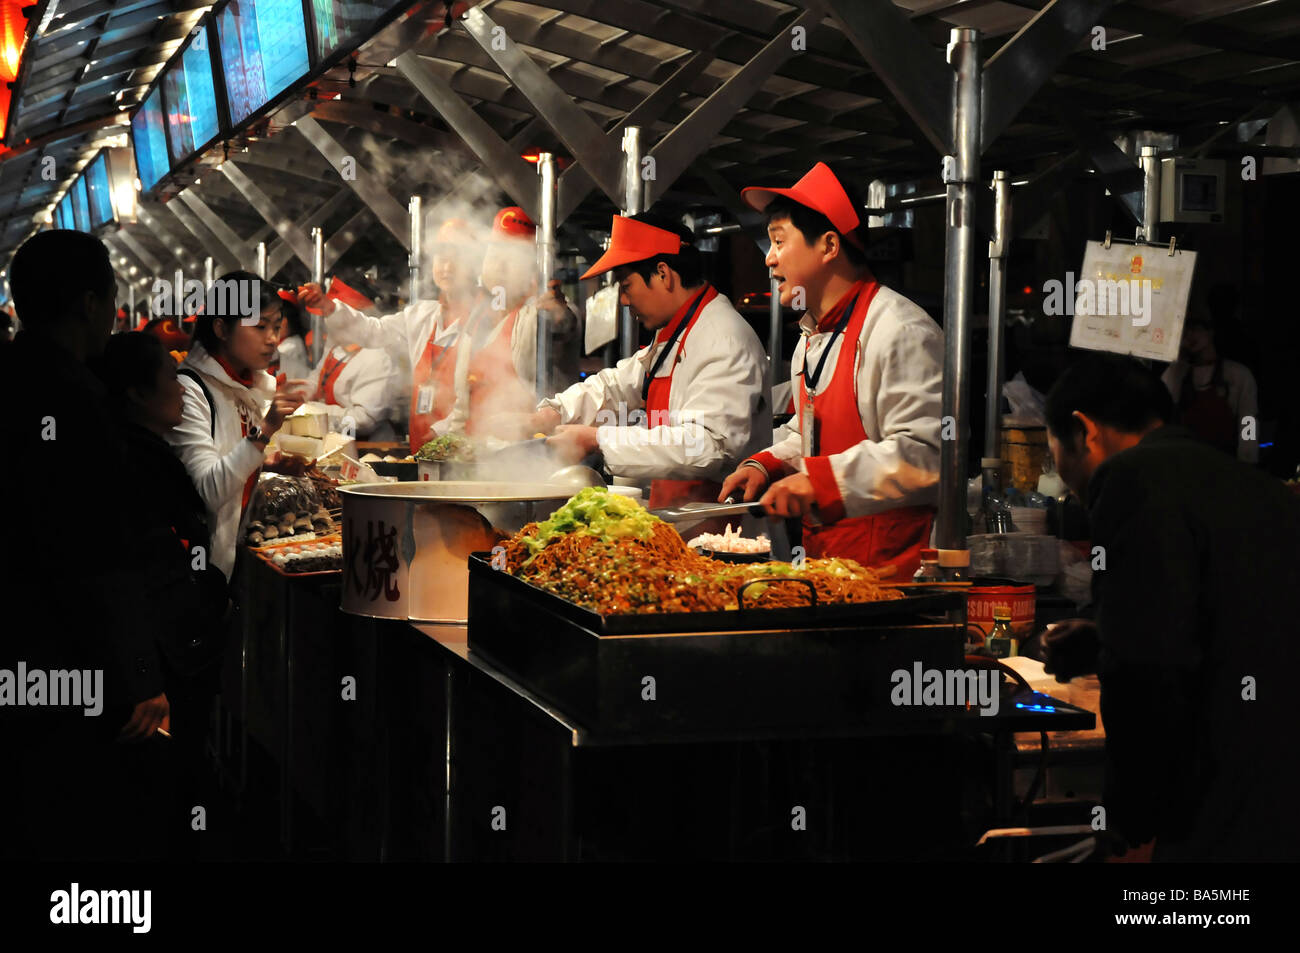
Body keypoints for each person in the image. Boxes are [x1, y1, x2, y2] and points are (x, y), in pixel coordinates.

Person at [1042, 352, 1300, 861]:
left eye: (1054, 453)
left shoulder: (1129, 478)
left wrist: (1126, 819)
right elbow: (1229, 619)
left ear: (1082, 431)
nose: (1065, 482)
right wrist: (1104, 638)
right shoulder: (1257, 487)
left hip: (1227, 803)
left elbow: (1149, 671)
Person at [0, 231, 170, 859]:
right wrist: (142, 674)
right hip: (68, 652)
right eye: (110, 297)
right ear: (86, 303)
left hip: (21, 649)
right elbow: (96, 551)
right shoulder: (73, 399)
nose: (114, 312)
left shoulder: (15, 373)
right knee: (77, 810)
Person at [718, 162, 945, 578]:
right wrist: (766, 463)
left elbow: (926, 454)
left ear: (828, 246)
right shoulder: (813, 334)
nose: (769, 260)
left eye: (778, 241)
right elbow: (810, 432)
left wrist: (817, 482)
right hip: (830, 565)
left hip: (892, 574)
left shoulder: (899, 329)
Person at [529, 212, 770, 510]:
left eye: (626, 286)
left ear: (663, 274)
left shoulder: (723, 338)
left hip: (723, 530)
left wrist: (598, 440)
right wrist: (555, 412)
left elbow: (708, 445)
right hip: (680, 518)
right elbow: (617, 384)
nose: (624, 301)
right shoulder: (678, 331)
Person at [100, 331, 231, 856]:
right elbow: (132, 575)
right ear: (135, 393)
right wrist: (146, 678)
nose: (181, 387)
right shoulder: (135, 465)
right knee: (160, 795)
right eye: (167, 375)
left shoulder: (140, 450)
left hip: (168, 655)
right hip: (161, 663)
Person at [297, 218, 483, 455]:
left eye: (458, 258)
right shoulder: (422, 315)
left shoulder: (484, 320)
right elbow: (373, 332)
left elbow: (482, 397)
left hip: (464, 450)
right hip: (422, 445)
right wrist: (329, 307)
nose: (447, 266)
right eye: (441, 257)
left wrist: (443, 433)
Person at [167, 271, 309, 580]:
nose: (272, 339)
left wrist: (270, 466)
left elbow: (232, 459)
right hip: (194, 570)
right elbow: (209, 491)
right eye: (259, 327)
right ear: (221, 328)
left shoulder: (248, 387)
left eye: (275, 326)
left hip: (231, 563)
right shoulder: (189, 390)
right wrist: (265, 431)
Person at [442, 206, 582, 437]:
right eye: (495, 255)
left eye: (513, 257)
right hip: (475, 456)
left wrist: (560, 314)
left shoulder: (542, 312)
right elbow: (463, 403)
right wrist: (451, 444)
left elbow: (565, 325)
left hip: (529, 453)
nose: (501, 266)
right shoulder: (476, 320)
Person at [1161, 313, 1259, 463]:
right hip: (1183, 461)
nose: (1190, 335)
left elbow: (1249, 420)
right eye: (1184, 329)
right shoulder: (1175, 373)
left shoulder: (1238, 375)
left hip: (1224, 463)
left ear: (1210, 331)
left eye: (1195, 327)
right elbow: (1162, 419)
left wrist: (1247, 457)